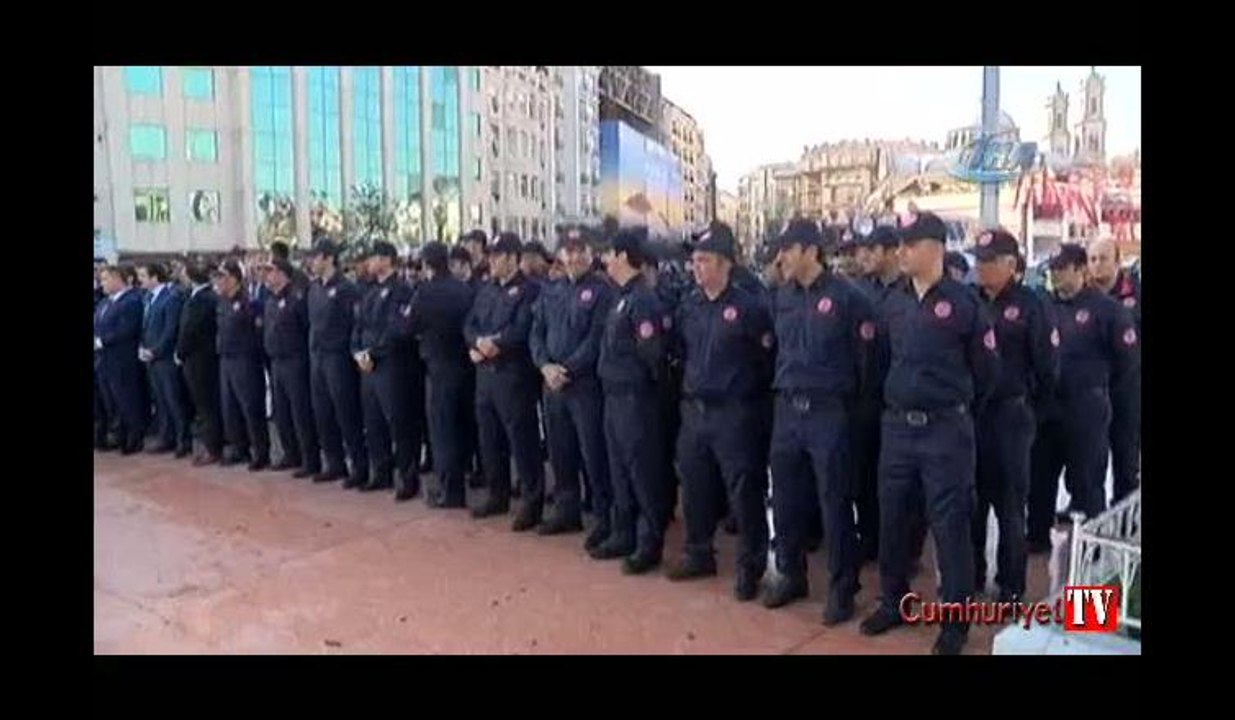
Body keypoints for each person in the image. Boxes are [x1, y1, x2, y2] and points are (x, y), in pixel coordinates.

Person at [859, 212, 1000, 655]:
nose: (900, 251)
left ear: (935, 248)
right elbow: (878, 360)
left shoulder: (964, 304)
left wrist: (954, 409)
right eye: (899, 243)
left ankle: (954, 620)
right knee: (894, 518)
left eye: (909, 243)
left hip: (946, 430)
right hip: (898, 428)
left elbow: (988, 373)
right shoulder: (892, 302)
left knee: (950, 524)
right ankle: (894, 600)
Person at [762, 219, 879, 621]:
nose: (782, 258)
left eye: (789, 249)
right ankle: (791, 574)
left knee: (834, 501)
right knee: (788, 499)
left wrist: (854, 412)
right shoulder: (781, 297)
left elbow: (868, 362)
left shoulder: (849, 298)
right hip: (787, 409)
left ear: (811, 250)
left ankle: (843, 587)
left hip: (830, 412)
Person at [664, 222, 774, 601]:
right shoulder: (689, 305)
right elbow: (680, 352)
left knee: (743, 492)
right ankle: (699, 552)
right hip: (695, 411)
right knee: (695, 485)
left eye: (705, 260)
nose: (697, 267)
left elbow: (766, 360)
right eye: (694, 261)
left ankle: (751, 565)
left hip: (735, 413)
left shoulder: (750, 306)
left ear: (726, 263)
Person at [1027, 244, 1139, 550]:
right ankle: (1037, 538)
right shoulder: (1044, 306)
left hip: (1086, 406)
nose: (1056, 275)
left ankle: (1093, 549)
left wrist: (1099, 390)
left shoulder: (1107, 310)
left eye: (1062, 269)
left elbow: (1126, 362)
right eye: (1053, 269)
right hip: (1049, 406)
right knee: (1040, 477)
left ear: (1080, 270)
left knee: (1087, 481)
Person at [970, 230, 1059, 602]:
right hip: (972, 416)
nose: (981, 267)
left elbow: (1048, 368)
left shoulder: (1031, 304)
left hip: (1011, 416)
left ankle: (1011, 586)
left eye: (990, 260)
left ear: (1011, 264)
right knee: (971, 502)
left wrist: (1027, 412)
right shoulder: (968, 302)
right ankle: (971, 576)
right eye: (979, 259)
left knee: (1009, 506)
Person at [591, 228, 670, 575]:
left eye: (609, 253)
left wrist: (642, 390)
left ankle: (649, 541)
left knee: (641, 471)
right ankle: (624, 533)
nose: (605, 260)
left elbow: (652, 355)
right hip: (613, 396)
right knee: (619, 469)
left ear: (622, 256)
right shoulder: (621, 296)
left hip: (635, 399)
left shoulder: (642, 299)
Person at [530, 228, 613, 546]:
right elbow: (536, 331)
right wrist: (544, 365)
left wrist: (566, 369)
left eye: (581, 250)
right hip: (552, 386)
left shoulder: (602, 291)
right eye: (569, 250)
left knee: (594, 454)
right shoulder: (552, 289)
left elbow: (596, 339)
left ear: (591, 254)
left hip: (584, 387)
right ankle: (567, 510)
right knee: (560, 451)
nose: (574, 256)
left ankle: (605, 517)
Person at [464, 232, 545, 529]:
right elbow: (469, 323)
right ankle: (497, 494)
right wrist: (475, 343)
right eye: (490, 255)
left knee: (522, 440)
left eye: (497, 256)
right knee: (489, 438)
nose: (491, 261)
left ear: (512, 258)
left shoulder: (529, 290)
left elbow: (523, 327)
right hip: (485, 375)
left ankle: (531, 501)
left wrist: (496, 344)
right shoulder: (487, 289)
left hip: (514, 375)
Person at [406, 242, 477, 509]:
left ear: (427, 265)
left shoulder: (424, 292)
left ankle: (451, 490)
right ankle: (464, 477)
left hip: (438, 365)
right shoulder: (463, 289)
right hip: (464, 364)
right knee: (461, 426)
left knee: (442, 430)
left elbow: (410, 325)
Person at [851, 226, 906, 563]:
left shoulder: (909, 291)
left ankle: (904, 548)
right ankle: (870, 537)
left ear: (890, 252)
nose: (863, 256)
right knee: (864, 475)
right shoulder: (859, 293)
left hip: (901, 400)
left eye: (871, 250)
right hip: (865, 398)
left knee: (900, 484)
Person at [352, 241, 422, 500]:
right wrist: (357, 351)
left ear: (386, 260)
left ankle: (408, 476)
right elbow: (358, 325)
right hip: (367, 365)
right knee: (373, 422)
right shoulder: (370, 290)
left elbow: (398, 330)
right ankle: (380, 471)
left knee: (399, 423)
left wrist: (373, 352)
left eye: (373, 257)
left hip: (391, 365)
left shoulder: (401, 290)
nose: (369, 262)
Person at [306, 238, 368, 487]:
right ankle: (335, 463)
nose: (312, 262)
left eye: (317, 256)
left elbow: (354, 324)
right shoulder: (315, 289)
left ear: (329, 258)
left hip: (338, 357)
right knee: (323, 412)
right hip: (318, 356)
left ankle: (359, 466)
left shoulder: (346, 288)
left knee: (346, 413)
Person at [1087, 237, 1141, 504]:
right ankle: (1089, 517)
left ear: (1118, 261)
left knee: (1126, 461)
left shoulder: (1135, 294)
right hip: (1092, 393)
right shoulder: (1082, 298)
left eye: (1103, 258)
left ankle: (1123, 525)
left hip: (1128, 391)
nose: (1097, 265)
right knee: (1089, 462)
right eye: (1093, 259)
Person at [263, 257, 320, 478]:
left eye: (271, 271)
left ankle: (310, 458)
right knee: (282, 412)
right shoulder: (270, 300)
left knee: (300, 411)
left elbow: (306, 329)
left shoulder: (296, 297)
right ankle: (291, 453)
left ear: (282, 274)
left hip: (295, 360)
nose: (268, 275)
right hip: (276, 361)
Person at [213, 260, 270, 470]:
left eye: (223, 277)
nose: (219, 282)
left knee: (250, 407)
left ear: (235, 279)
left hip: (245, 360)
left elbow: (257, 334)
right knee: (230, 407)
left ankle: (261, 452)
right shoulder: (222, 302)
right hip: (226, 359)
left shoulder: (249, 303)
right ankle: (240, 448)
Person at [138, 263, 191, 458]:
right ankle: (166, 436)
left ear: (155, 277)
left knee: (174, 400)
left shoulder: (170, 298)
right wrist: (143, 348)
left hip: (166, 359)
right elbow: (146, 326)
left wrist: (156, 350)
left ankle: (182, 440)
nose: (140, 280)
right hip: (151, 358)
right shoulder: (148, 298)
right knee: (160, 400)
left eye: (143, 276)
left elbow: (170, 330)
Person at [94, 265, 147, 455]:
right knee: (112, 402)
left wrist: (102, 340)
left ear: (118, 279)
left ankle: (134, 438)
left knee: (127, 400)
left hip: (122, 359)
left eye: (106, 279)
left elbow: (128, 329)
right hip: (104, 361)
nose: (103, 283)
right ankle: (119, 435)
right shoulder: (104, 303)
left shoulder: (131, 301)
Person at [176, 261, 223, 465]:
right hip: (197, 359)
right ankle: (210, 444)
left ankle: (213, 447)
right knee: (202, 405)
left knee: (206, 405)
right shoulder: (198, 297)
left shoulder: (203, 299)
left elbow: (191, 330)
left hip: (200, 359)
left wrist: (180, 351)